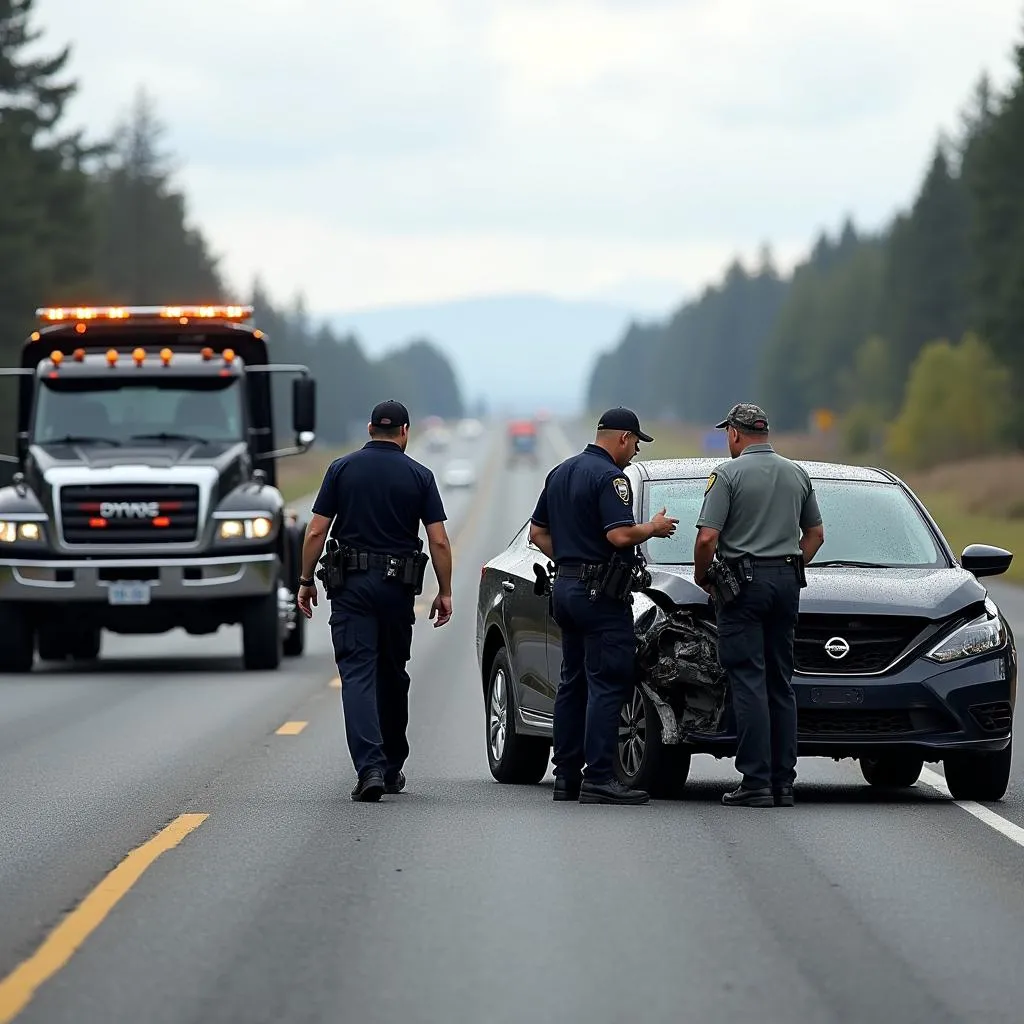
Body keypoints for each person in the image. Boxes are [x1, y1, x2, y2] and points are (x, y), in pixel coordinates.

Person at [296, 400, 454, 802]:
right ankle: (391, 766)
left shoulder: (341, 469)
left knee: (358, 674)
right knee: (393, 672)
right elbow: (437, 538)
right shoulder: (420, 475)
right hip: (396, 590)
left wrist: (304, 580)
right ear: (405, 431)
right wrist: (445, 590)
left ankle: (369, 768)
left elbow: (316, 531)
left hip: (350, 589)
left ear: (370, 429)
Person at [529, 407, 679, 805]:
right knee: (607, 683)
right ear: (623, 438)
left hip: (566, 590)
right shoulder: (612, 478)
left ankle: (565, 777)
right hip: (601, 599)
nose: (634, 454)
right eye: (635, 445)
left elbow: (537, 532)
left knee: (572, 681)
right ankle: (599, 777)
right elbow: (619, 535)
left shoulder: (559, 472)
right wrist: (653, 528)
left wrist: (570, 560)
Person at [693, 403, 824, 808]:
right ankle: (784, 781)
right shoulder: (797, 473)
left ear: (734, 433)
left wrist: (704, 578)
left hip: (744, 586)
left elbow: (706, 539)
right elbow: (816, 534)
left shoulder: (727, 475)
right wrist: (788, 565)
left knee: (748, 679)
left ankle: (756, 781)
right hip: (787, 581)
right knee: (780, 682)